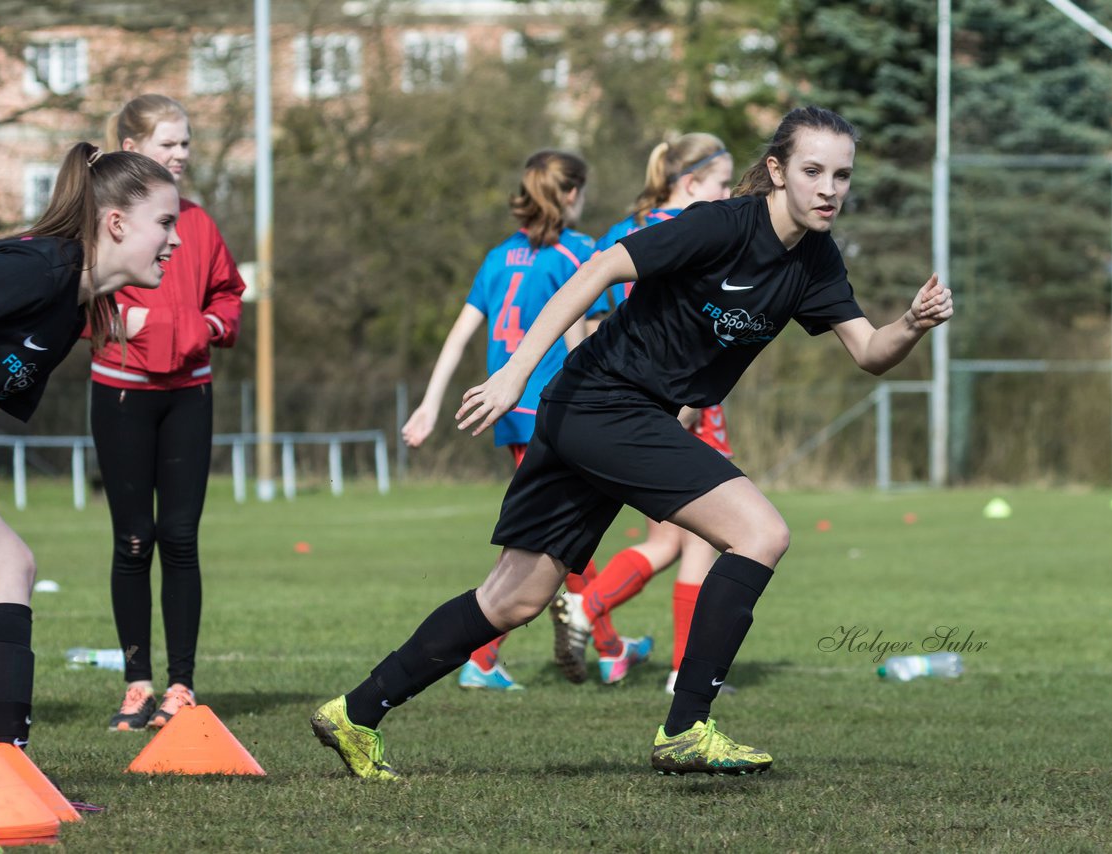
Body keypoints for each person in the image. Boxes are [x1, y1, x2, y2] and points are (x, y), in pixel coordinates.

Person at [310, 105, 952, 779]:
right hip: (603, 403)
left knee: (514, 599)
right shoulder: (718, 224)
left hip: (603, 411)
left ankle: (354, 713)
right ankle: (688, 728)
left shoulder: (816, 260)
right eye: (813, 171)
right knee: (760, 533)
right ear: (776, 171)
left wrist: (910, 322)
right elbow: (598, 272)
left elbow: (871, 352)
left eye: (842, 175)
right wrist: (513, 374)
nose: (829, 189)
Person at [0, 142, 181, 746]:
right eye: (166, 223)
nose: (175, 241)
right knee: (9, 564)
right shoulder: (37, 268)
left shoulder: (68, 310)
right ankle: (3, 767)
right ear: (117, 223)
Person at [400, 149, 649, 690]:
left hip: (508, 411)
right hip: (559, 410)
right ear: (572, 194)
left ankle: (608, 647)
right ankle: (487, 657)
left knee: (561, 535)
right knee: (557, 540)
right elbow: (581, 335)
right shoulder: (580, 251)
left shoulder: (497, 257)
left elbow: (461, 332)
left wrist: (430, 402)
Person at [556, 132, 739, 689]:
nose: (731, 195)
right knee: (703, 539)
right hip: (675, 400)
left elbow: (578, 312)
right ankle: (607, 622)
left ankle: (673, 661)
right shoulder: (698, 235)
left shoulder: (620, 231)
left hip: (620, 399)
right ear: (692, 183)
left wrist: (586, 383)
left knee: (672, 539)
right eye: (724, 184)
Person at [92, 95, 245, 732]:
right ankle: (137, 685)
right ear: (132, 148)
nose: (180, 154)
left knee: (180, 538)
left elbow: (229, 295)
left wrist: (205, 324)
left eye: (185, 144)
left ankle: (181, 688)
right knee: (133, 541)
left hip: (190, 395)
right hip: (121, 393)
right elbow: (78, 294)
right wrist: (127, 322)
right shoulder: (103, 220)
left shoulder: (201, 223)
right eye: (168, 144)